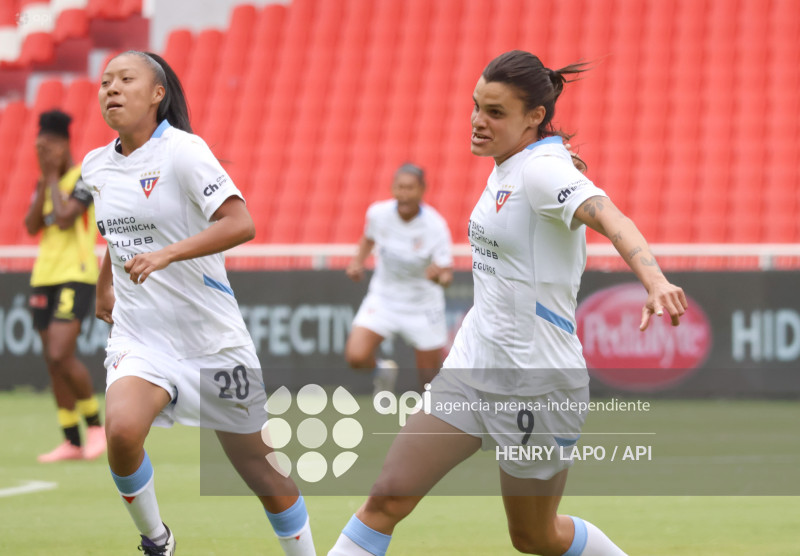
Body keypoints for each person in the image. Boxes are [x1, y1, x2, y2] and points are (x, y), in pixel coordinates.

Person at [328, 50, 688, 556]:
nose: (478, 120)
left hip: (537, 382)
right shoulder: (511, 162)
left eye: (495, 112)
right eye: (477, 106)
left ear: (534, 116)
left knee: (536, 537)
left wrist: (655, 279)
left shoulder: (542, 170)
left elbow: (610, 215)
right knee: (386, 499)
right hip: (474, 364)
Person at [81, 51, 315, 555]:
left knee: (262, 472)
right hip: (141, 335)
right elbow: (119, 230)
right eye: (105, 82)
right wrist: (106, 279)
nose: (111, 89)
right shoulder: (95, 165)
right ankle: (157, 540)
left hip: (212, 342)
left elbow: (240, 223)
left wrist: (167, 254)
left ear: (157, 94)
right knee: (121, 431)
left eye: (125, 79)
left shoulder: (184, 152)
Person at [24, 109, 106, 463]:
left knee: (61, 353)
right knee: (52, 362)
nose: (43, 153)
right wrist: (46, 180)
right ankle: (71, 440)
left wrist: (53, 178)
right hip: (44, 275)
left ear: (63, 145)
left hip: (77, 273)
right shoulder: (45, 182)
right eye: (39, 148)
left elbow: (64, 218)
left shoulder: (83, 177)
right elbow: (31, 226)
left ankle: (96, 427)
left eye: (48, 147)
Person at [345, 163, 454, 393]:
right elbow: (368, 238)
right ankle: (382, 371)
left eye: (410, 188)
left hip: (422, 305)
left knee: (429, 380)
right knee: (356, 356)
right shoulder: (378, 214)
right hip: (384, 298)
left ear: (422, 190)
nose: (404, 194)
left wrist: (439, 278)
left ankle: (431, 412)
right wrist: (357, 262)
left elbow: (446, 275)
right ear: (393, 188)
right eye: (399, 187)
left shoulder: (435, 226)